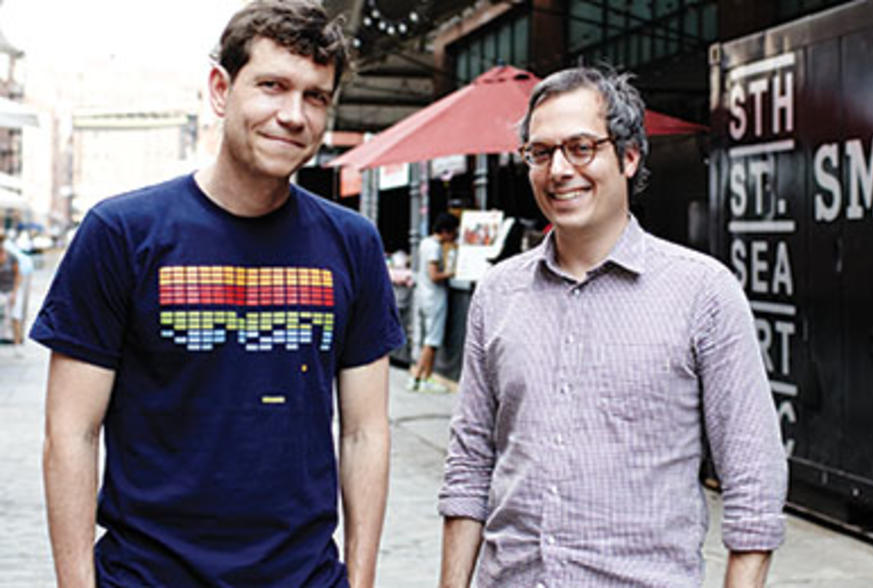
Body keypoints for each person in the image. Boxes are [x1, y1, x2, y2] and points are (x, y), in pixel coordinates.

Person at [32, 2, 404, 585]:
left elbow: (365, 431)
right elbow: (70, 434)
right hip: (147, 576)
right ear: (220, 89)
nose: (293, 115)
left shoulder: (353, 244)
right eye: (273, 86)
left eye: (314, 96)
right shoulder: (122, 233)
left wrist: (359, 582)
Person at [438, 67, 788, 587]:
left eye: (581, 147)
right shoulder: (498, 292)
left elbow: (753, 483)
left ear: (628, 156)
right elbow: (470, 464)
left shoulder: (702, 293)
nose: (559, 169)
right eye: (541, 152)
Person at [409, 212, 459, 393]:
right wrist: (452, 273)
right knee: (432, 340)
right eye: (454, 232)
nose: (455, 236)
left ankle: (421, 377)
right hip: (434, 297)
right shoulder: (434, 248)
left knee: (428, 339)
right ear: (445, 231)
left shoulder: (424, 243)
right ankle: (420, 377)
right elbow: (434, 275)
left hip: (424, 295)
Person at [0, 233, 21, 345]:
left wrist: (14, 292)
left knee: (15, 316)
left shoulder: (11, 257)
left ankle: (17, 342)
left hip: (11, 289)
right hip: (1, 291)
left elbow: (18, 275)